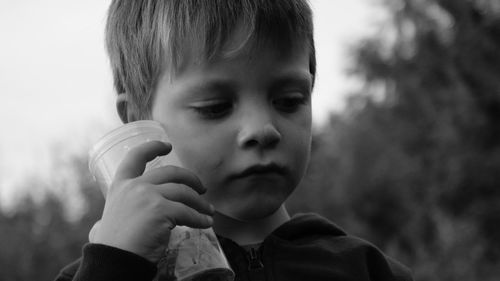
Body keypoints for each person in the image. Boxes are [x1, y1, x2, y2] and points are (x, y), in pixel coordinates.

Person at [55, 0, 413, 280]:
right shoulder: (109, 270)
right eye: (216, 107)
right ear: (138, 117)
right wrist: (114, 266)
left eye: (288, 101)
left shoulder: (366, 270)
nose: (262, 129)